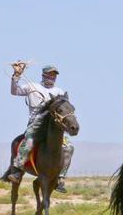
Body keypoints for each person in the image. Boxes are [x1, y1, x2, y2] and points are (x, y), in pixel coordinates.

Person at [7, 62, 74, 193]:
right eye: (50, 74)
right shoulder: (32, 87)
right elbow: (14, 91)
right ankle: (17, 170)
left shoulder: (59, 92)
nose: (52, 77)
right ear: (43, 74)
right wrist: (16, 75)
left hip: (53, 128)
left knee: (69, 147)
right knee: (29, 141)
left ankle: (60, 178)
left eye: (54, 75)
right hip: (36, 124)